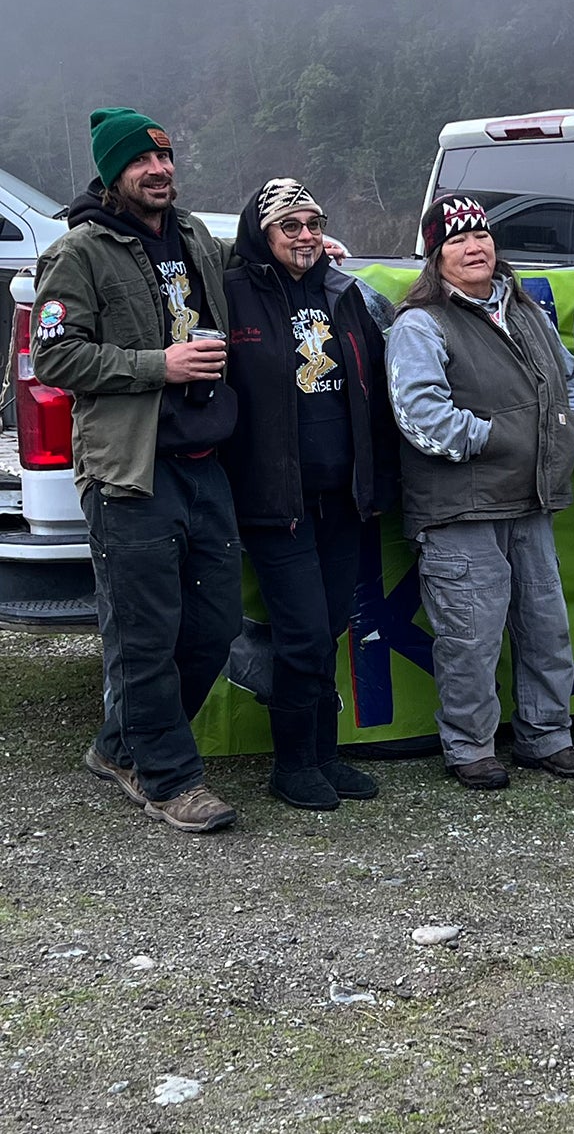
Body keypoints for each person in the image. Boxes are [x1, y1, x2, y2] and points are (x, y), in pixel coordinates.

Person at [32, 109, 242, 832]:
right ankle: (167, 779)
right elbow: (56, 357)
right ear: (113, 173)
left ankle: (122, 744)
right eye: (141, 163)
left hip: (204, 462)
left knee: (213, 627)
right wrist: (162, 366)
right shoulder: (77, 252)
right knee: (144, 634)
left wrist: (299, 254)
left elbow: (239, 280)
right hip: (130, 471)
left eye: (166, 159)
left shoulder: (193, 238)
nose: (160, 171)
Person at [386, 193, 574, 789]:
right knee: (470, 639)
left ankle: (546, 737)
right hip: (461, 509)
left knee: (545, 628)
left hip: (531, 501)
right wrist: (501, 438)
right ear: (435, 256)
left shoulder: (525, 309)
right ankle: (470, 747)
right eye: (456, 240)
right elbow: (420, 415)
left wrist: (568, 427)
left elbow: (568, 381)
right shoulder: (420, 323)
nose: (473, 246)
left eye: (480, 235)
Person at [222, 179, 399, 810]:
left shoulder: (344, 291)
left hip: (344, 495)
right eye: (289, 226)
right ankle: (292, 763)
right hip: (277, 500)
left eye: (313, 223)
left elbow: (379, 383)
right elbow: (180, 254)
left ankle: (325, 754)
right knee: (299, 633)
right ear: (261, 234)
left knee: (328, 627)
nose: (305, 236)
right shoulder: (233, 290)